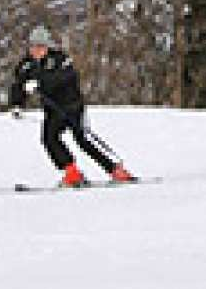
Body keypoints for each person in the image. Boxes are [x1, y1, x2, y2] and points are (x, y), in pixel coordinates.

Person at [11, 25, 135, 188]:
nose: (37, 50)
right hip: (52, 109)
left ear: (48, 46)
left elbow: (64, 78)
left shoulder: (60, 59)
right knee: (49, 138)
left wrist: (40, 83)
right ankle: (72, 172)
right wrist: (17, 104)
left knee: (82, 139)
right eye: (34, 46)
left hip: (71, 105)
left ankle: (115, 170)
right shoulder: (25, 65)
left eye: (41, 46)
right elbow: (18, 85)